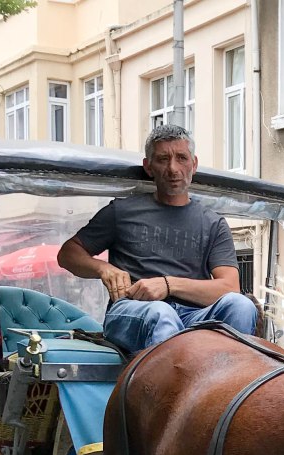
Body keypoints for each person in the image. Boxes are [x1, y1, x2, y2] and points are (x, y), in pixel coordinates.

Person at [58, 125, 257, 357]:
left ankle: (227, 385)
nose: (173, 169)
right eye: (163, 159)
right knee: (162, 314)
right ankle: (172, 392)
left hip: (195, 316)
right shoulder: (121, 212)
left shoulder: (212, 223)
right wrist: (104, 269)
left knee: (242, 306)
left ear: (193, 164)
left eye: (181, 158)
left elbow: (229, 287)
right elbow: (68, 253)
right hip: (132, 311)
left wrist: (168, 284)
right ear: (148, 167)